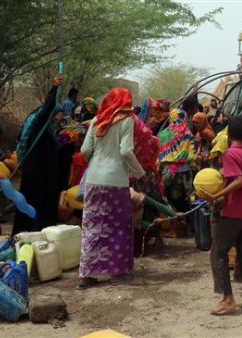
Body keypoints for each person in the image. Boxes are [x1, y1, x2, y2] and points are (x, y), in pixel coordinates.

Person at [77, 87, 145, 289]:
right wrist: (139, 172)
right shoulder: (127, 120)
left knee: (92, 227)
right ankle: (117, 271)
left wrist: (96, 163)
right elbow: (125, 151)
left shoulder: (97, 121)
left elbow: (85, 150)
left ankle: (87, 275)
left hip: (94, 180)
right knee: (117, 226)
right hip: (116, 181)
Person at [197, 116, 242, 315]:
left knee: (218, 252)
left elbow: (239, 181)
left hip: (233, 212)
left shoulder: (230, 153)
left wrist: (216, 194)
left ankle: (228, 299)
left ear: (229, 133)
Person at [13, 75, 63, 234]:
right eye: (59, 113)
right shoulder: (40, 121)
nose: (60, 117)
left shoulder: (37, 123)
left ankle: (29, 233)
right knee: (36, 206)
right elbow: (48, 107)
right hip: (39, 176)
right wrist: (55, 88)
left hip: (35, 173)